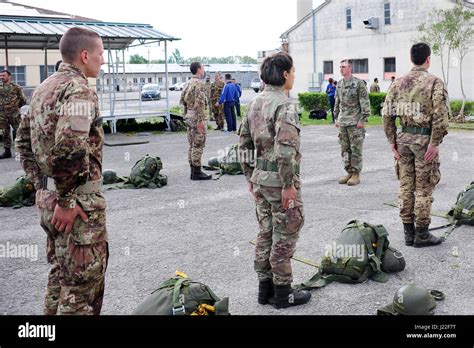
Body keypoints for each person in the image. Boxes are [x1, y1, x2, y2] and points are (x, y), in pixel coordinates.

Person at [16, 27, 108, 315]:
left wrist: (44, 188)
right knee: (81, 291)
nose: (102, 60)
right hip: (76, 207)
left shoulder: (43, 87)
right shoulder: (79, 89)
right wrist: (67, 202)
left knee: (60, 279)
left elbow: (22, 142)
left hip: (50, 202)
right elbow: (70, 148)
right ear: (84, 55)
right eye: (100, 54)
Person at [239, 52, 311, 309]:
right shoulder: (284, 105)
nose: (294, 75)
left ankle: (264, 289)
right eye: (292, 71)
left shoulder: (254, 103)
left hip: (260, 180)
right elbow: (286, 150)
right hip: (280, 183)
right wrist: (289, 184)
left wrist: (250, 176)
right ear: (284, 74)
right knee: (285, 235)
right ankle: (283, 294)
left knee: (265, 233)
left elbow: (244, 145)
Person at [382, 43, 449, 248]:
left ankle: (408, 233)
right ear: (428, 59)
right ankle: (422, 233)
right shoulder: (434, 83)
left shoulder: (397, 83)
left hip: (403, 141)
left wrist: (392, 140)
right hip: (424, 143)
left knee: (405, 187)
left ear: (412, 59)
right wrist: (435, 143)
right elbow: (441, 115)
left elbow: (386, 114)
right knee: (423, 188)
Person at [334, 58, 371, 186]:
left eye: (343, 67)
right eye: (340, 67)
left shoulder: (359, 83)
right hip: (343, 122)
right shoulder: (339, 84)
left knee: (356, 149)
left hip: (355, 122)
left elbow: (365, 102)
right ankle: (349, 171)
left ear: (350, 68)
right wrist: (335, 117)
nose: (341, 69)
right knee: (345, 149)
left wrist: (363, 119)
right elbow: (337, 102)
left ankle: (356, 173)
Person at [180, 62, 212, 180]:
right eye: (203, 68)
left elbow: (182, 101)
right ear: (199, 69)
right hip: (197, 117)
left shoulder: (187, 83)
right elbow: (200, 103)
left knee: (192, 144)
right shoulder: (198, 84)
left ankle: (193, 170)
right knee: (198, 144)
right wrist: (199, 122)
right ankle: (197, 172)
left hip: (189, 116)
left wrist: (185, 116)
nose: (203, 70)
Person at [0, 69, 27, 159]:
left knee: (20, 132)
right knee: (4, 133)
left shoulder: (16, 87)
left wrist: (16, 108)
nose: (2, 77)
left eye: (4, 75)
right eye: (1, 76)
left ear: (9, 76)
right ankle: (7, 151)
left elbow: (23, 100)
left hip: (14, 114)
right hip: (2, 115)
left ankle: (24, 151)